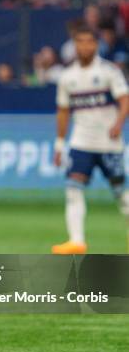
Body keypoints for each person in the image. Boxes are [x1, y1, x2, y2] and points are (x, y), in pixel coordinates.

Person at [52, 25, 129, 254]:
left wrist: (118, 123)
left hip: (108, 142)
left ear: (96, 45)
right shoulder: (67, 77)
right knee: (73, 189)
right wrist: (59, 143)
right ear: (74, 45)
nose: (84, 46)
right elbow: (63, 111)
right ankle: (76, 241)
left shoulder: (109, 72)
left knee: (121, 193)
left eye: (89, 41)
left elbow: (125, 99)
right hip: (81, 142)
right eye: (80, 42)